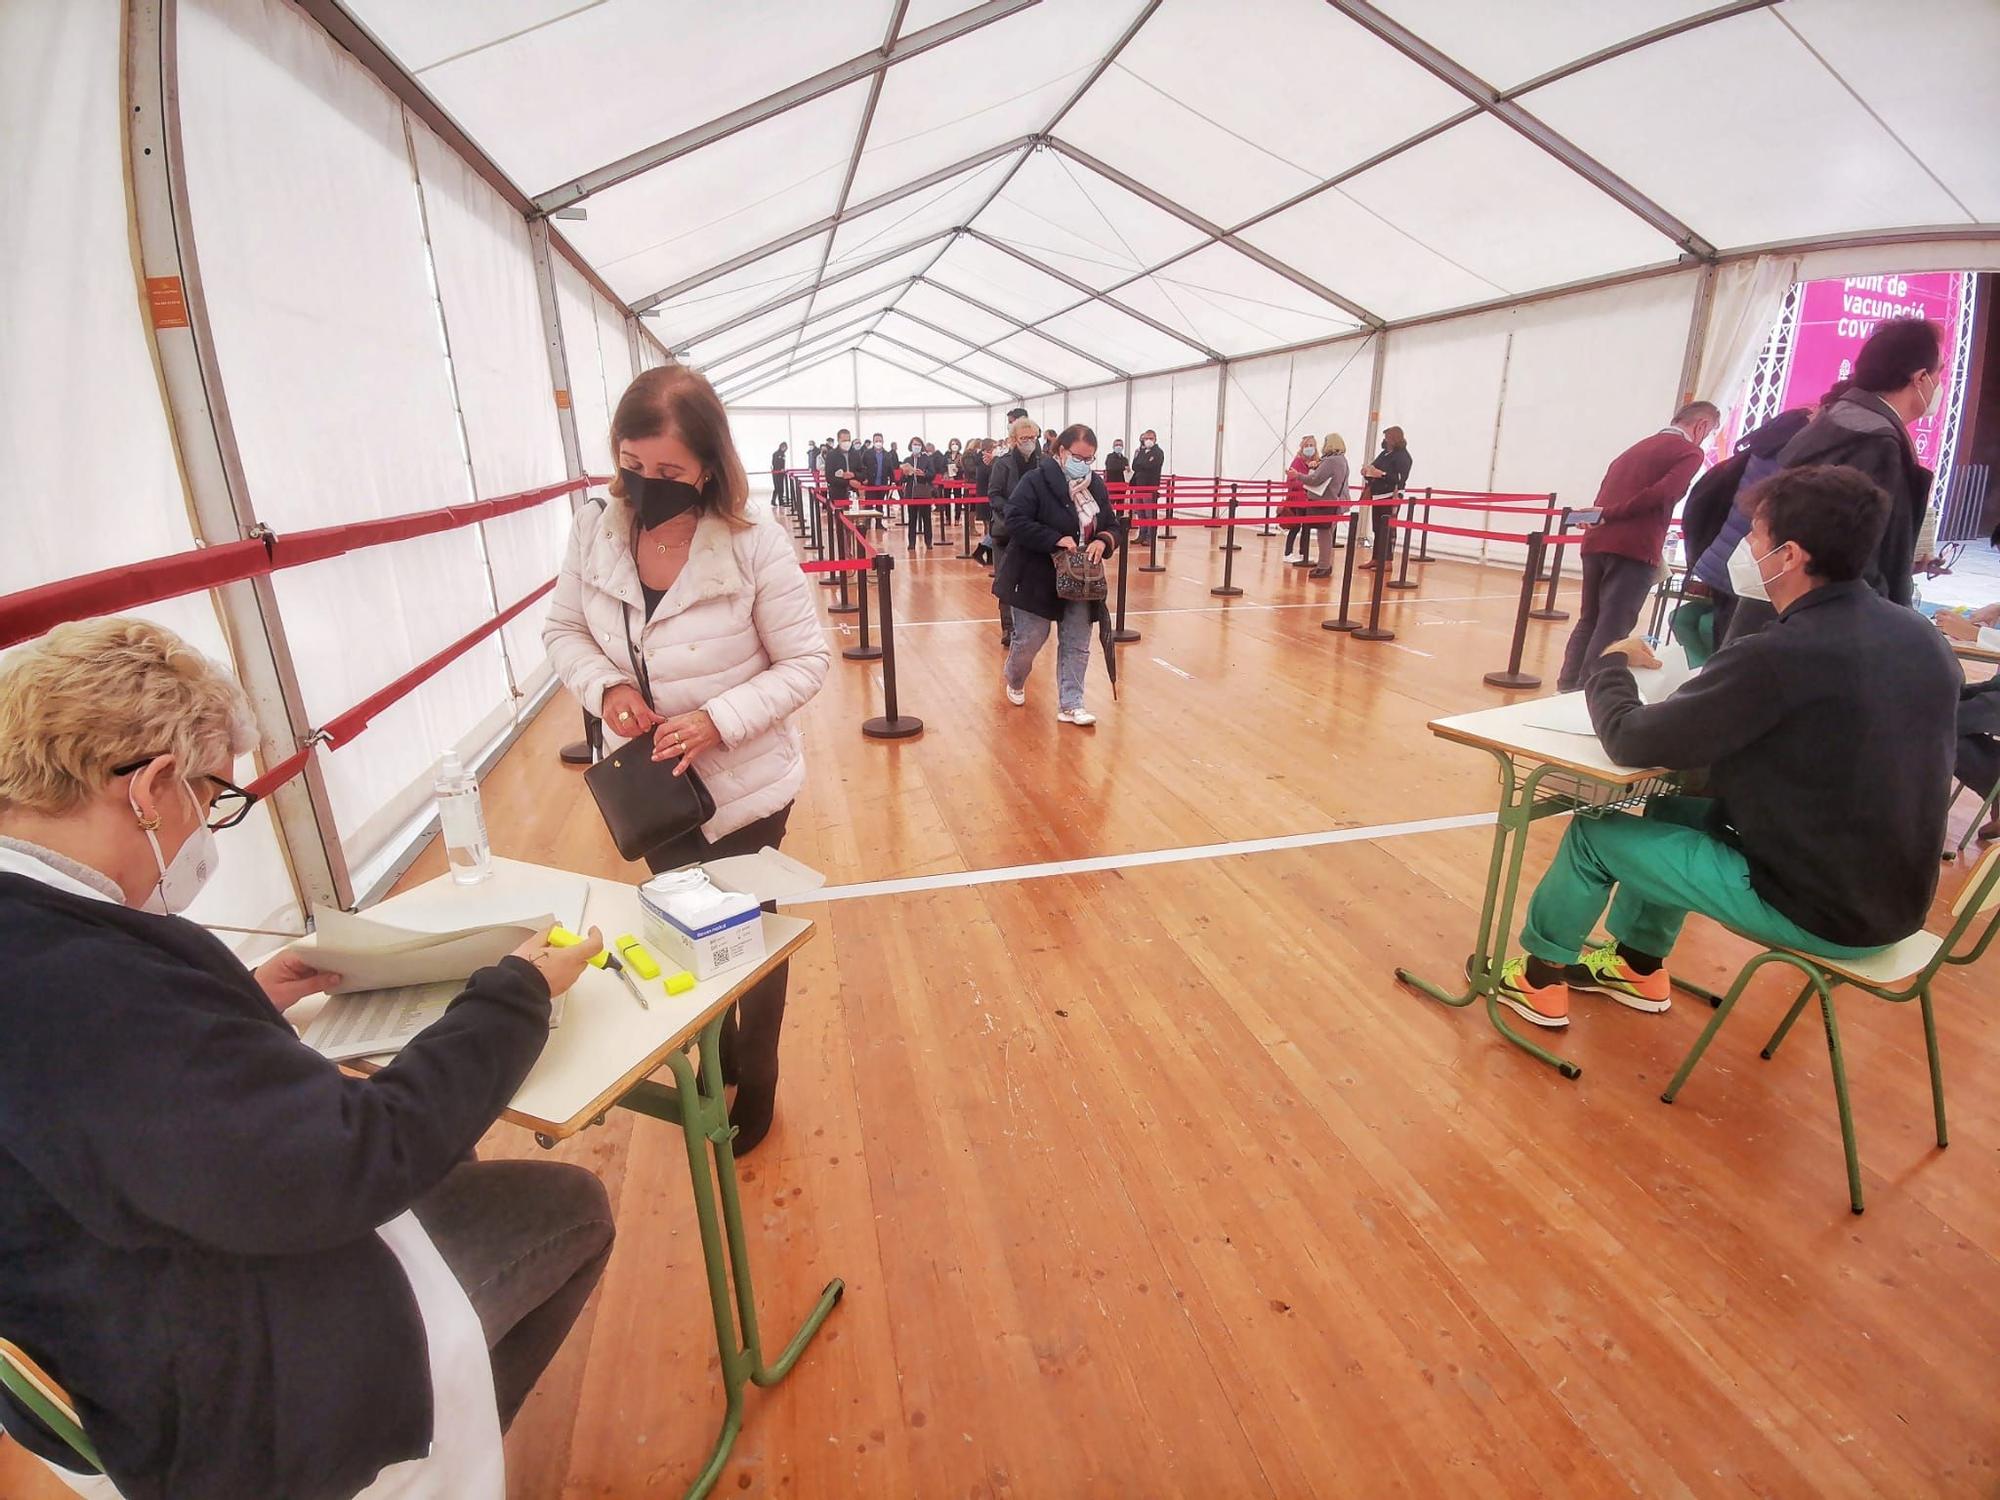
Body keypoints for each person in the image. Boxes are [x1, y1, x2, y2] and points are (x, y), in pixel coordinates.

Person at [0, 617, 614, 1499]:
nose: (208, 829)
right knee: (572, 1203)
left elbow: (109, 1092)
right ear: (154, 787)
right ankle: (414, 1461)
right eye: (214, 799)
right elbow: (351, 1163)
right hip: (222, 1381)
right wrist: (515, 993)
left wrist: (245, 1000)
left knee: (439, 1147)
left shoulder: (42, 937)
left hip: (91, 1325)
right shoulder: (79, 982)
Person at [1493, 466, 1959, 1030]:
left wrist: (1611, 663)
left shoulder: (1782, 653)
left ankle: (1539, 980)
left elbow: (1630, 740)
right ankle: (1638, 965)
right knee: (1679, 808)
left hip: (1821, 910)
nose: (1745, 547)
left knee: (1594, 834)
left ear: (1788, 557)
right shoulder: (1920, 637)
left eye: (1755, 535)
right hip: (1897, 901)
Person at [544, 365, 830, 1152]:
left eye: (669, 471)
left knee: (751, 932)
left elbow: (806, 663)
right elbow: (563, 630)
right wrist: (605, 691)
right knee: (686, 925)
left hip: (746, 787)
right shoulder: (595, 528)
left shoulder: (753, 544)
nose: (647, 485)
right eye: (633, 466)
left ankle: (758, 1076)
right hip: (652, 788)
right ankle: (719, 1047)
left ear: (708, 464)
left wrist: (717, 720)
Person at [1727, 317, 1943, 643]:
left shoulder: (1839, 420)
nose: (1943, 382)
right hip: (1820, 634)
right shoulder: (1875, 441)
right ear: (1920, 378)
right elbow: (1859, 558)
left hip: (1783, 620)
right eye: (1941, 371)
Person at [1555, 401, 1718, 691]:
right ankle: (1587, 695)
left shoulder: (1631, 451)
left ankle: (1567, 687)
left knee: (1589, 619)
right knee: (1613, 627)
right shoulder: (1689, 452)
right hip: (1633, 547)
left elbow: (1607, 496)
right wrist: (1610, 515)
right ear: (1702, 426)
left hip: (1596, 544)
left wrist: (1601, 516)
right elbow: (1664, 494)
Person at [1676, 388, 1843, 660]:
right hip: (1757, 567)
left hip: (1730, 559)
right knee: (1737, 655)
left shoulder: (1774, 439)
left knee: (1726, 645)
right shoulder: (1803, 449)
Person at [997, 423, 1124, 726]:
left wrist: (1102, 540)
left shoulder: (1095, 486)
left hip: (1082, 580)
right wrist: (1054, 537)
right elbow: (1015, 519)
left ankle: (1071, 703)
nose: (1085, 463)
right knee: (1029, 639)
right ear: (1062, 451)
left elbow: (1113, 524)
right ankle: (1014, 677)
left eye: (1090, 458)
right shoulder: (1035, 481)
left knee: (1078, 642)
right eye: (1079, 456)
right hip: (1035, 577)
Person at [987, 416, 1042, 649]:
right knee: (1006, 578)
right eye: (1023, 438)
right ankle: (1008, 627)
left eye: (1032, 437)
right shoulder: (1003, 463)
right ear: (1014, 440)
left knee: (1032, 579)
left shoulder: (1043, 462)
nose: (1028, 442)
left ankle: (1029, 625)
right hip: (1007, 530)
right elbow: (994, 494)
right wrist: (1011, 510)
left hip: (1035, 530)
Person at [1355, 426, 1412, 570]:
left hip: (1391, 496)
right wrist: (1367, 471)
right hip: (1378, 495)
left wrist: (1383, 474)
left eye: (1389, 438)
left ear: (1395, 439)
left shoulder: (1403, 457)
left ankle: (1387, 560)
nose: (1386, 440)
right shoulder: (1384, 454)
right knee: (1377, 528)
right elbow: (1374, 467)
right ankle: (1376, 558)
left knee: (1388, 529)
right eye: (1385, 437)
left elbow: (1400, 479)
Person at [1301, 432, 1350, 579]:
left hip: (1328, 502)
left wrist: (1298, 476)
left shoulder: (1331, 461)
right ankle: (1324, 564)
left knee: (1324, 535)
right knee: (1326, 534)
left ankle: (1324, 565)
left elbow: (1315, 479)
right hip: (1338, 501)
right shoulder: (1342, 460)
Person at [1281, 435, 1318, 565]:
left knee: (1306, 527)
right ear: (1302, 448)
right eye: (1307, 446)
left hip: (1309, 500)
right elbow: (1291, 481)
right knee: (1295, 526)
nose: (1309, 448)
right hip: (1297, 499)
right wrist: (1304, 482)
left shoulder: (1316, 462)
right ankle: (1288, 553)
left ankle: (1304, 553)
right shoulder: (1297, 462)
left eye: (1312, 445)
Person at [1129, 429, 1165, 545]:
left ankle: (1150, 537)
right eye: (1146, 438)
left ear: (1155, 439)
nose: (1148, 440)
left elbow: (1149, 465)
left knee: (1150, 513)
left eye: (1151, 438)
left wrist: (1141, 464)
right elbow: (1134, 465)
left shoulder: (1158, 452)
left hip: (1150, 487)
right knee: (1141, 513)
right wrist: (1141, 463)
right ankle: (1142, 534)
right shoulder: (1141, 452)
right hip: (1139, 486)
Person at [823, 426, 856, 503]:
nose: (846, 442)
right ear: (838, 440)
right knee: (839, 514)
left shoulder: (855, 454)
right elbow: (829, 477)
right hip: (837, 493)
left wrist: (854, 475)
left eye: (848, 440)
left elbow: (862, 471)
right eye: (844, 440)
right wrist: (848, 482)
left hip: (854, 492)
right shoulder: (831, 455)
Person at [770, 440, 789, 507]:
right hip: (776, 473)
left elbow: (783, 464)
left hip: (781, 473)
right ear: (781, 446)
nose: (785, 449)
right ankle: (773, 500)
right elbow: (774, 463)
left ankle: (781, 501)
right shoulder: (775, 454)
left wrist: (783, 469)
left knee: (781, 487)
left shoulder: (783, 454)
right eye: (784, 447)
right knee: (777, 487)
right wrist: (779, 469)